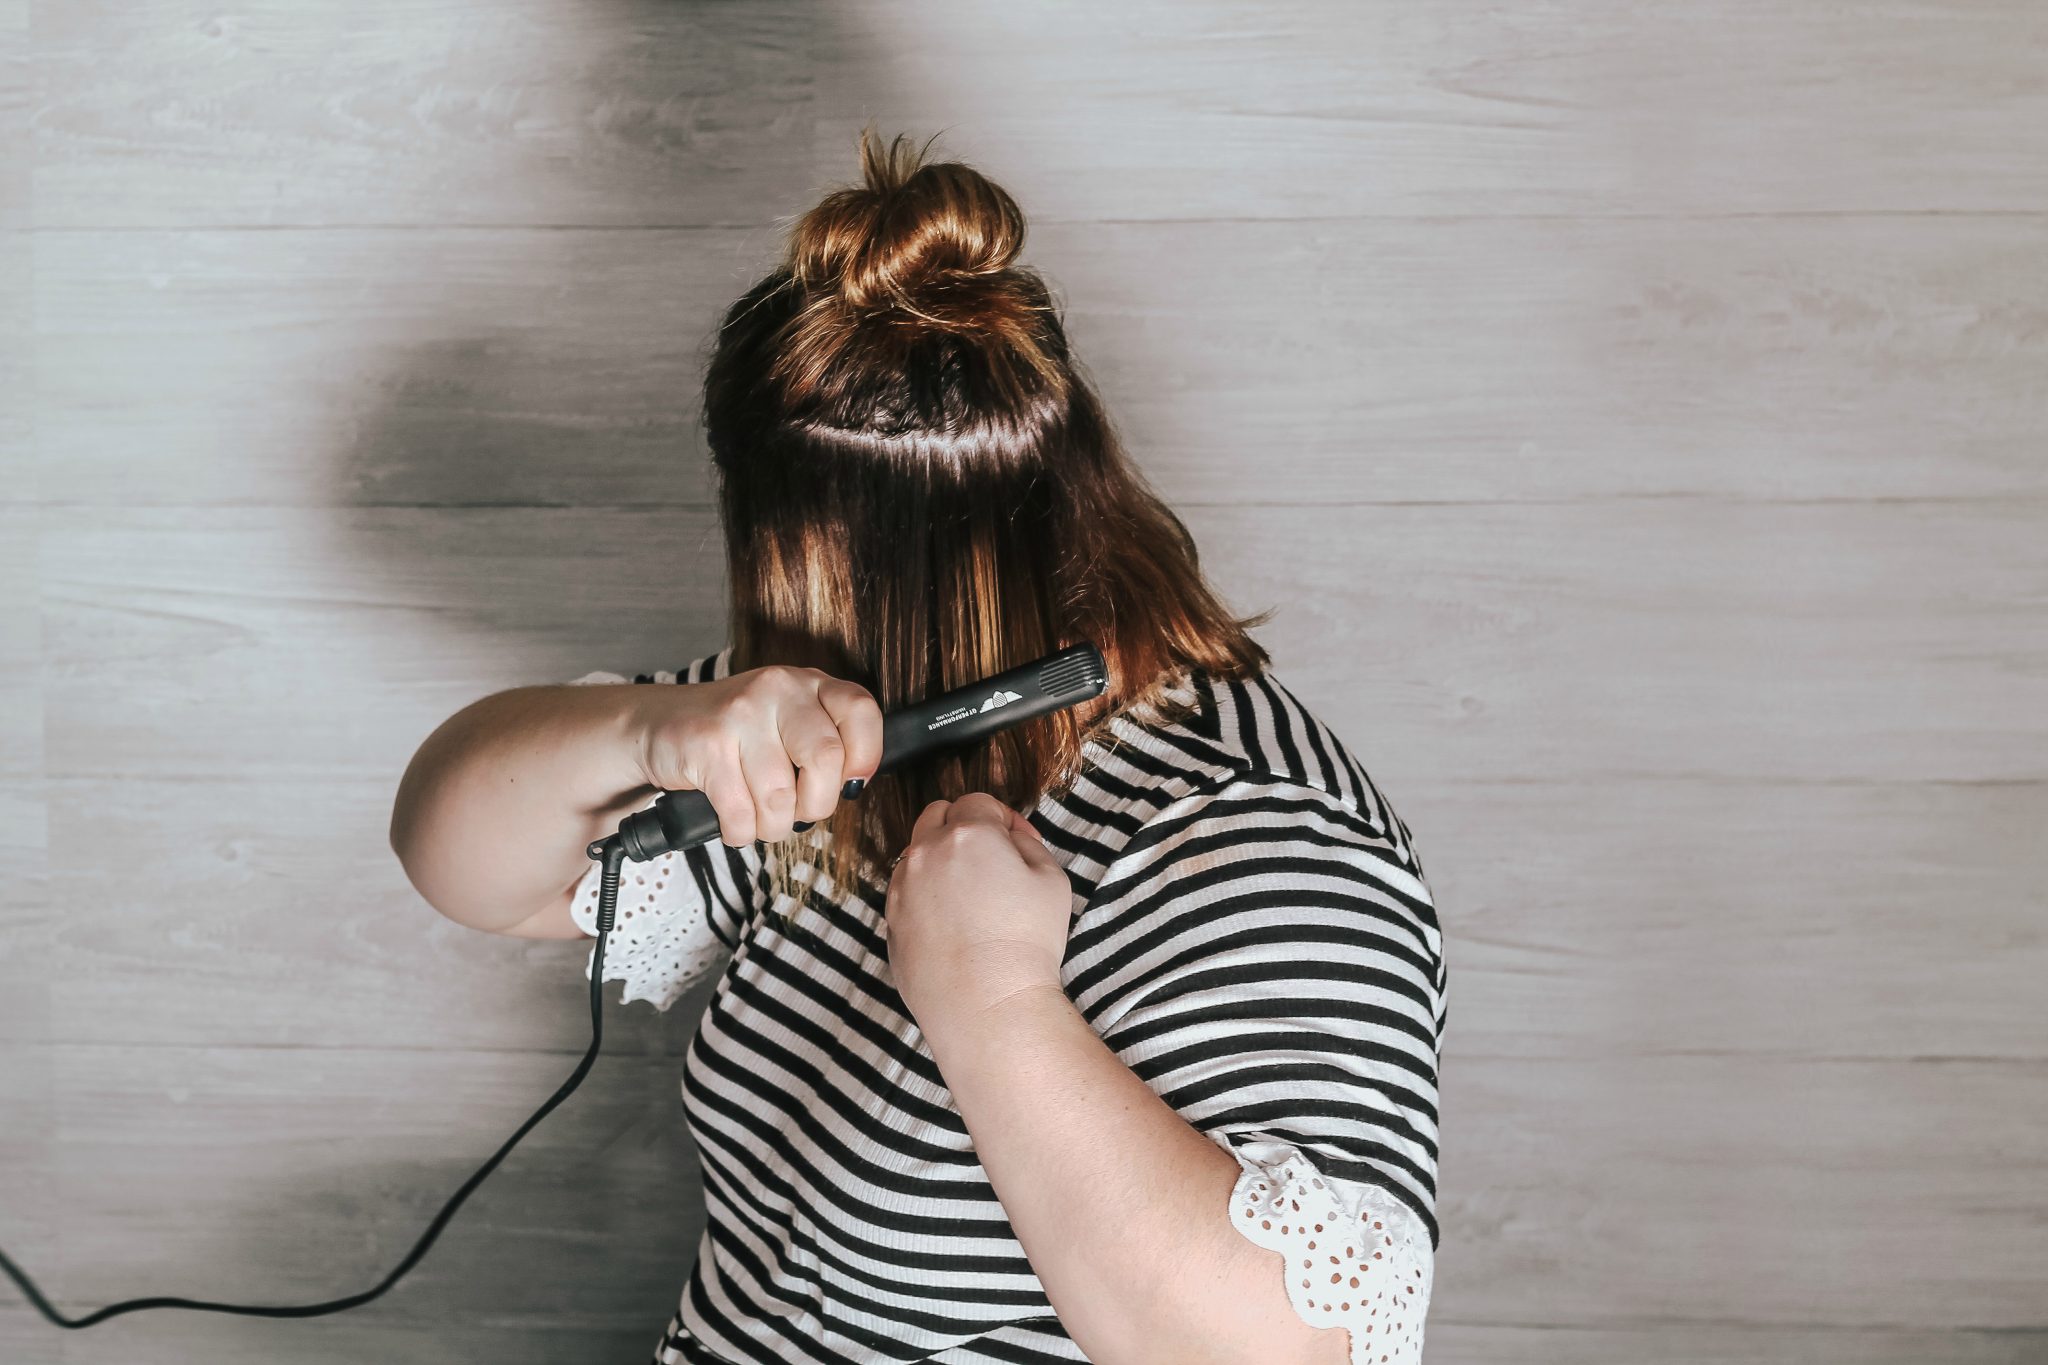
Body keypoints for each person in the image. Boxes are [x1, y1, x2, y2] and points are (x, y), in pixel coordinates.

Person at [389, 127, 1444, 1365]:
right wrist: (653, 728)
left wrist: (993, 999)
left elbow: (1288, 1353)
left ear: (818, 561)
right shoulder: (843, 720)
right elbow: (459, 862)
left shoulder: (1257, 844)